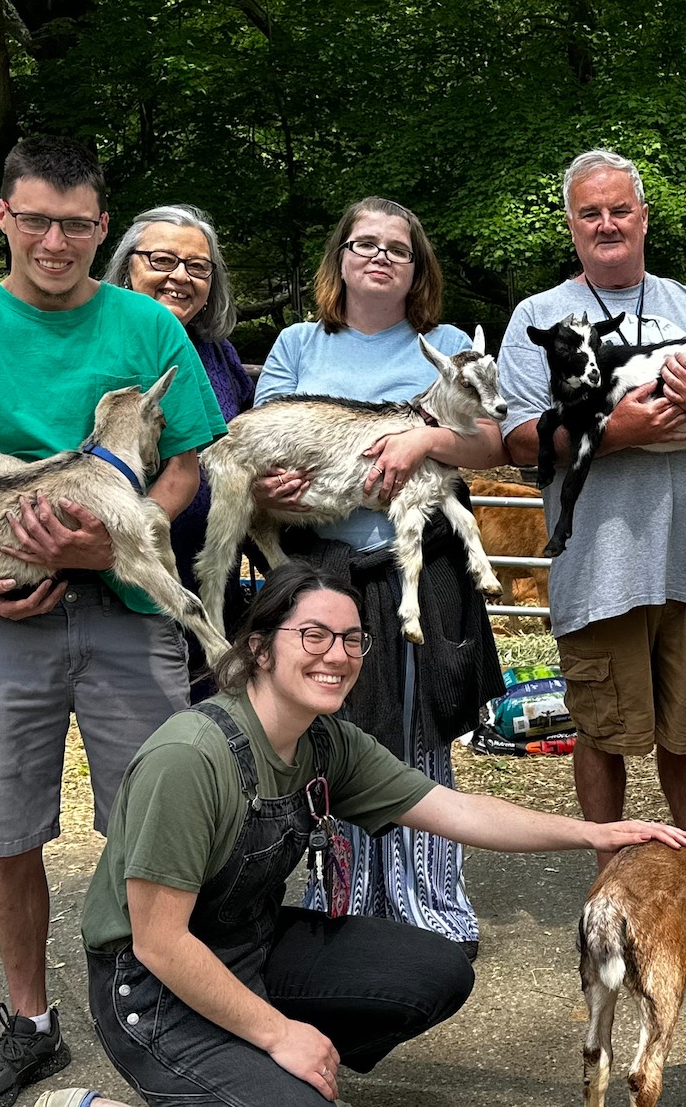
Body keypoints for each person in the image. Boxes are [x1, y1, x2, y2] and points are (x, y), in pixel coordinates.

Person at [0, 136, 228, 1107]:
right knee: (7, 828)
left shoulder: (148, 329)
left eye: (74, 222)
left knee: (154, 824)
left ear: (101, 227)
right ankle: (30, 1022)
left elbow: (189, 460)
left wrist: (120, 539)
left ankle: (156, 998)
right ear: (6, 220)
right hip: (1, 620)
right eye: (36, 219)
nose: (54, 239)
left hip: (130, 608)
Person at [30, 562, 686, 1107]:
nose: (338, 655)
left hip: (247, 951)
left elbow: (454, 811)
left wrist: (596, 831)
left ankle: (259, 1079)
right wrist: (279, 1034)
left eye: (351, 639)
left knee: (434, 970)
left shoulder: (325, 742)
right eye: (313, 635)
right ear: (259, 647)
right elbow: (160, 944)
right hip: (151, 991)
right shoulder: (191, 759)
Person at [247, 197, 506, 956]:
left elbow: (489, 442)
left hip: (415, 568)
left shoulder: (449, 343)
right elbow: (265, 441)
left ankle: (432, 906)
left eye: (399, 247)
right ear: (341, 258)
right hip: (322, 568)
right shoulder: (298, 344)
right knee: (329, 734)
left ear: (417, 268)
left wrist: (421, 439)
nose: (381, 256)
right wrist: (268, 491)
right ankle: (347, 901)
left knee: (421, 735)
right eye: (365, 244)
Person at [498, 148, 686, 868]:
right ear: (571, 225)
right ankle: (608, 871)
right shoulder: (540, 316)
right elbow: (521, 440)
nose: (607, 224)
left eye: (620, 209)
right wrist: (619, 432)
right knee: (603, 728)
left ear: (644, 218)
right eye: (591, 213)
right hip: (600, 563)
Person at [102, 204, 258, 699]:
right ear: (128, 266)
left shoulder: (218, 353)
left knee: (221, 725)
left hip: (215, 576)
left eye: (198, 267)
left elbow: (246, 444)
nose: (181, 277)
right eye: (163, 260)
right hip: (132, 584)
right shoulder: (99, 347)